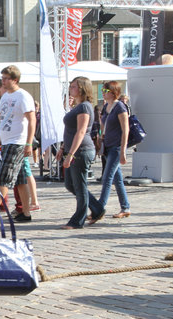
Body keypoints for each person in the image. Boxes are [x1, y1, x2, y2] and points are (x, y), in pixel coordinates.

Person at [0, 65, 36, 222]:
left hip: (17, 141)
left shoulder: (23, 96)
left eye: (6, 78)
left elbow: (32, 120)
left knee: (4, 177)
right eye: (2, 78)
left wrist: (28, 143)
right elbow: (2, 119)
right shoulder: (5, 96)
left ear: (15, 80)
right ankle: (25, 213)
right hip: (7, 141)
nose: (3, 81)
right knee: (20, 180)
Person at [57, 77, 105, 229]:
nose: (71, 89)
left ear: (83, 88)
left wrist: (71, 154)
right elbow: (70, 130)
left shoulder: (85, 107)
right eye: (70, 86)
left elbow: (81, 131)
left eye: (74, 87)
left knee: (79, 186)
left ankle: (78, 220)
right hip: (73, 149)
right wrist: (63, 148)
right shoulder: (78, 107)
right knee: (71, 184)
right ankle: (97, 208)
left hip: (81, 150)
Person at [96, 80, 131, 220]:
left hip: (116, 147)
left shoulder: (120, 107)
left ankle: (99, 208)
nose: (103, 94)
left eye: (106, 91)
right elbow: (103, 125)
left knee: (107, 178)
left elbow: (125, 130)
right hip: (108, 145)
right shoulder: (106, 107)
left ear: (113, 92)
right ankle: (125, 207)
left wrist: (123, 150)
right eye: (102, 91)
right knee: (117, 179)